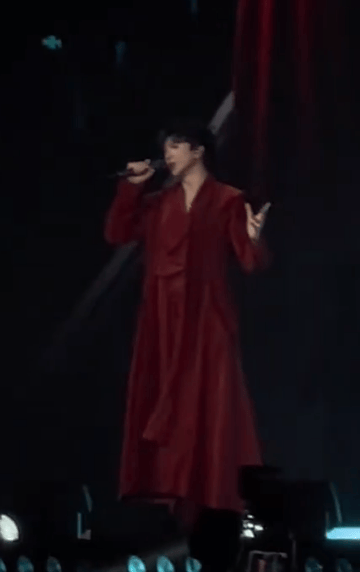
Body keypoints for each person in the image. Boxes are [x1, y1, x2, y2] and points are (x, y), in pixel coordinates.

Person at [104, 119, 270, 540]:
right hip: (161, 320)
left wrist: (253, 237)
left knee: (209, 406)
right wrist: (131, 189)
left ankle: (213, 502)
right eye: (167, 147)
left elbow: (249, 262)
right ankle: (165, 501)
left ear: (198, 151)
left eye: (176, 145)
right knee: (162, 400)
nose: (168, 154)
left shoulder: (229, 200)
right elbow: (118, 233)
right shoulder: (158, 203)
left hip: (206, 319)